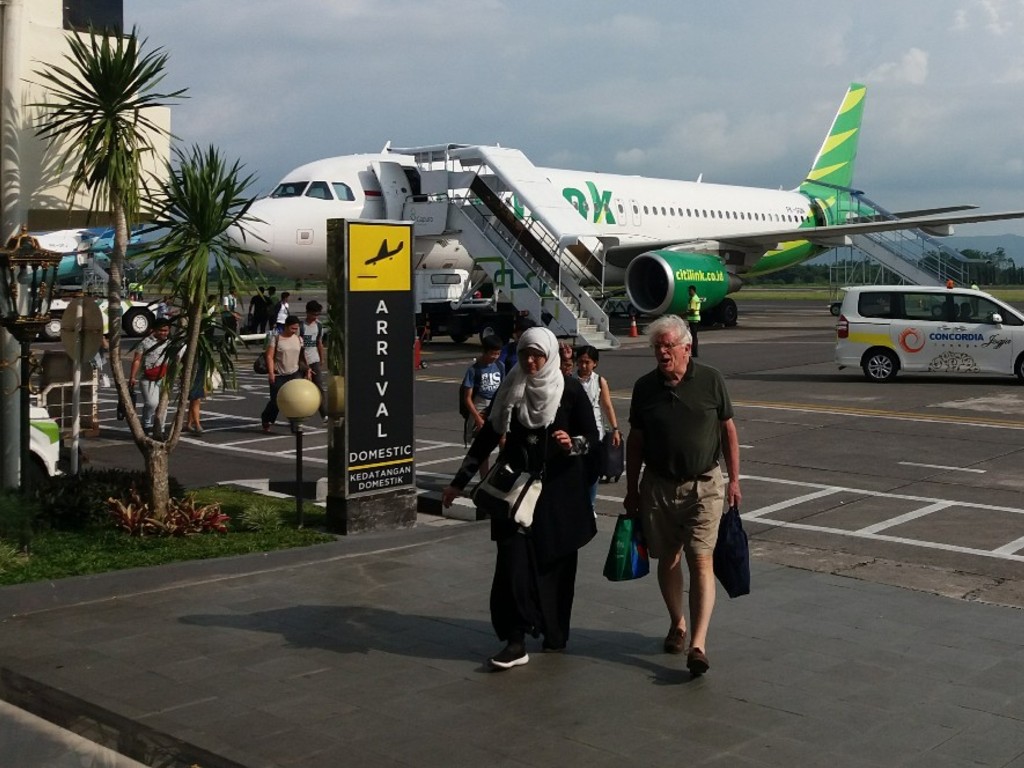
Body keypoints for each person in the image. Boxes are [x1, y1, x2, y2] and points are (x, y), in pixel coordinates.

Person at [441, 327, 598, 670]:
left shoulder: (568, 390)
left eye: (537, 355)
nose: (530, 361)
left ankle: (553, 632)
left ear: (549, 357)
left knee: (554, 568)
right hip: (513, 495)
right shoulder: (511, 388)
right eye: (525, 353)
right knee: (512, 565)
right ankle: (515, 640)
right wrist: (458, 483)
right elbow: (487, 437)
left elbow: (593, 438)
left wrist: (573, 444)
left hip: (556, 497)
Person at [624, 314, 741, 677]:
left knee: (700, 559)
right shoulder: (645, 388)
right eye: (657, 346)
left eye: (668, 345)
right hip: (658, 486)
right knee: (669, 558)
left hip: (704, 484)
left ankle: (698, 644)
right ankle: (678, 623)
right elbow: (636, 441)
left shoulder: (711, 380)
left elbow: (728, 431)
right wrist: (631, 489)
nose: (662, 352)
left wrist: (734, 480)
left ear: (686, 348)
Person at [574, 345, 621, 493]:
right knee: (576, 470)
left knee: (593, 470)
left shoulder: (600, 381)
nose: (583, 365)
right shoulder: (571, 380)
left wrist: (615, 429)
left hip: (595, 433)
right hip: (575, 432)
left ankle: (591, 505)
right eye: (581, 361)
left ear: (595, 363)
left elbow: (607, 406)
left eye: (587, 362)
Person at [460, 334, 504, 474]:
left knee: (503, 440)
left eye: (498, 353)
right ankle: (483, 478)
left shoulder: (500, 366)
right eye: (492, 353)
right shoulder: (474, 370)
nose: (495, 356)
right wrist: (477, 417)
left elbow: (503, 388)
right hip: (480, 406)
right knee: (482, 446)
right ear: (484, 351)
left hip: (496, 406)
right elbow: (467, 397)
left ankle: (500, 472)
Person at [260, 315, 309, 431]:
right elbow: (269, 356)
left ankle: (295, 424)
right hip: (279, 374)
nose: (294, 331)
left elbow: (302, 356)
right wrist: (271, 373)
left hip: (294, 373)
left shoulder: (298, 339)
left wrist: (308, 369)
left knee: (295, 399)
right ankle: (266, 418)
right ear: (286, 326)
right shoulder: (276, 339)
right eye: (292, 328)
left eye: (296, 328)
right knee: (276, 401)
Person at [128, 318, 172, 438]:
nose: (164, 333)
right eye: (161, 330)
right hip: (148, 377)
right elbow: (137, 360)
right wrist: (132, 376)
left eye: (166, 330)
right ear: (154, 330)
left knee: (164, 404)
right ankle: (146, 425)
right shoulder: (145, 342)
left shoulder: (170, 342)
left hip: (164, 377)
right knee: (152, 403)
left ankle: (160, 429)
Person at [299, 300, 328, 423]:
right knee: (300, 388)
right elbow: (298, 346)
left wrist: (321, 358)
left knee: (319, 387)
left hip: (314, 360)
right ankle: (299, 414)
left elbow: (319, 343)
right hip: (301, 361)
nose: (315, 317)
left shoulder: (319, 325)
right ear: (307, 313)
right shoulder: (300, 326)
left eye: (317, 315)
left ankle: (324, 414)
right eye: (313, 314)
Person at [186, 358, 207, 436]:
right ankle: (197, 425)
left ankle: (189, 423)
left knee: (194, 399)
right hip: (195, 370)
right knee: (195, 399)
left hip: (198, 370)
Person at [686, 284, 702, 357]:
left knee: (693, 336)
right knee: (694, 336)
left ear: (693, 291)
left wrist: (686, 312)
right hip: (696, 319)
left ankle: (694, 352)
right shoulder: (696, 298)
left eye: (690, 291)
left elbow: (692, 310)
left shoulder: (693, 299)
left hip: (693, 319)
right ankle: (694, 352)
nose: (689, 292)